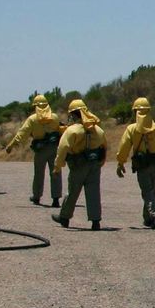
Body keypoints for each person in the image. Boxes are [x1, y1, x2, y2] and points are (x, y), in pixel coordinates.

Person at [115, 97, 155, 228]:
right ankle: (148, 219)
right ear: (148, 111)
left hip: (142, 165)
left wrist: (120, 163)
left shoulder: (131, 129)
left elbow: (124, 147)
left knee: (147, 192)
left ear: (135, 111)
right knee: (152, 191)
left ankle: (154, 214)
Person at [52, 98, 106, 230]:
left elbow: (62, 148)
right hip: (94, 165)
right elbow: (104, 147)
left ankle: (64, 218)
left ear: (73, 114)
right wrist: (101, 163)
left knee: (73, 191)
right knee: (93, 192)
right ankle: (95, 221)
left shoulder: (72, 131)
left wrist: (57, 166)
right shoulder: (98, 130)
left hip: (78, 165)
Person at [3, 94, 65, 206]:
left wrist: (11, 146)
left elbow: (22, 134)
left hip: (40, 150)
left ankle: (37, 197)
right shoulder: (54, 117)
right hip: (54, 148)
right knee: (55, 172)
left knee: (39, 174)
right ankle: (56, 199)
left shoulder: (32, 119)